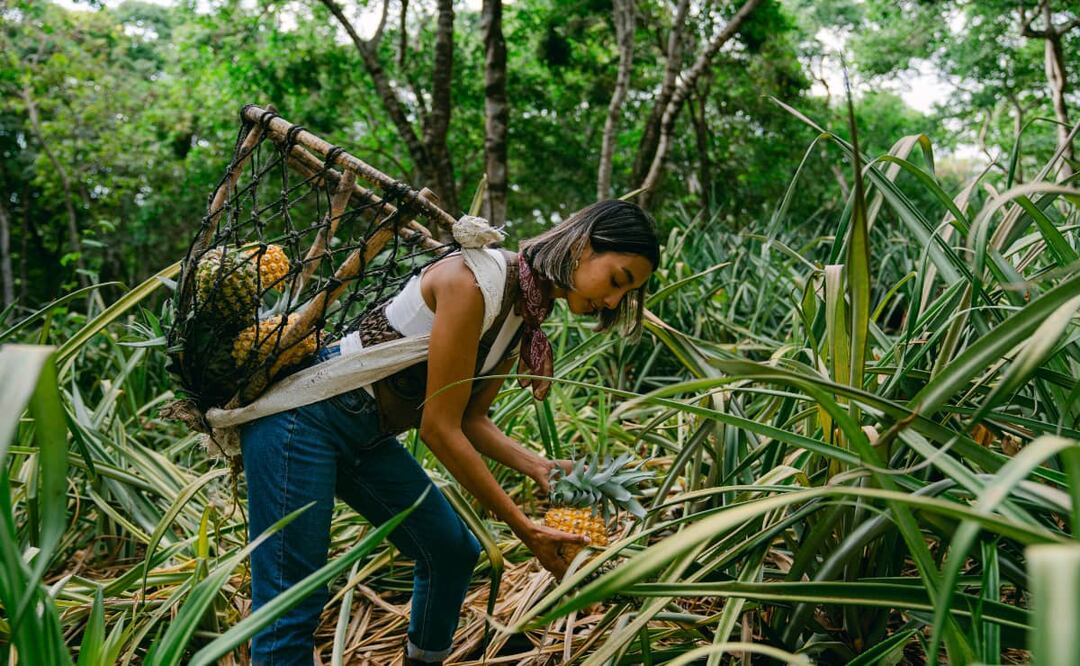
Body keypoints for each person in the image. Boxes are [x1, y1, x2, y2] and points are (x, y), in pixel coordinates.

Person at [240, 199, 661, 665]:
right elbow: (439, 429)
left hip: (365, 433)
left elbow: (470, 419)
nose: (612, 301)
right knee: (290, 606)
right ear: (582, 245)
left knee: (451, 551)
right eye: (618, 281)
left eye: (626, 295)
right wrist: (523, 527)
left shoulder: (523, 312)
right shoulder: (474, 283)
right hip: (304, 417)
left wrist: (540, 467)